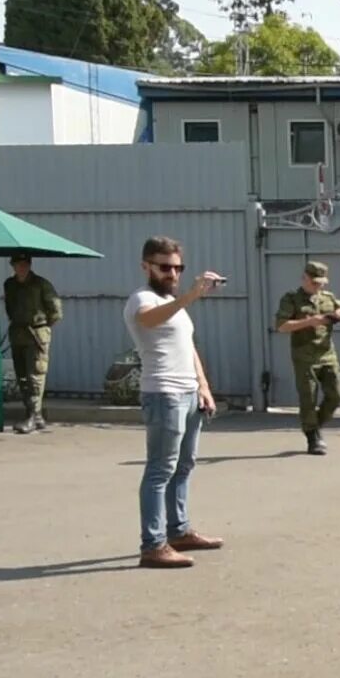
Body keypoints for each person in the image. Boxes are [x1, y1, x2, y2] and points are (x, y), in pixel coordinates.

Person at [123, 238, 227, 570]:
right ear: (146, 266)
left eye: (177, 267)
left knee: (183, 467)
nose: (172, 273)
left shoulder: (174, 304)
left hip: (188, 393)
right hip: (163, 394)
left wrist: (204, 386)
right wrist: (191, 296)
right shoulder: (143, 299)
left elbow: (188, 347)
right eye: (164, 267)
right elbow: (148, 320)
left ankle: (178, 530)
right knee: (160, 470)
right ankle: (153, 545)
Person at [274, 261, 340, 455]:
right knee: (308, 398)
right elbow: (282, 326)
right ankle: (313, 438)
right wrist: (310, 321)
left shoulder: (328, 298)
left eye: (321, 283)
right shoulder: (291, 299)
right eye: (314, 282)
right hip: (304, 356)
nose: (318, 286)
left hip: (327, 355)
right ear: (305, 278)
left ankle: (313, 425)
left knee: (336, 394)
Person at [3, 255, 62, 433]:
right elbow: (9, 307)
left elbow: (56, 311)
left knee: (35, 375)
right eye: (17, 264)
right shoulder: (10, 285)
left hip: (36, 333)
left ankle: (33, 416)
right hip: (18, 332)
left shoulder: (41, 284)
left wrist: (42, 327)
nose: (21, 268)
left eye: (24, 264)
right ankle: (35, 415)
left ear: (29, 265)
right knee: (22, 376)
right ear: (13, 266)